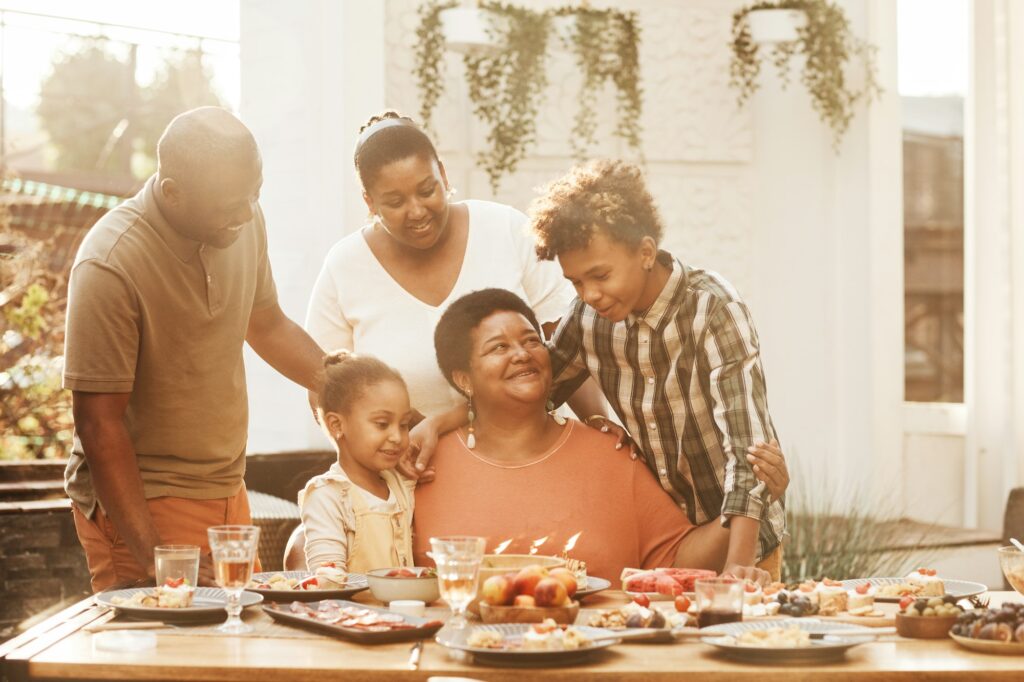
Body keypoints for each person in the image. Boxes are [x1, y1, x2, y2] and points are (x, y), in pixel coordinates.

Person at [63, 107, 324, 592]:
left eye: (255, 193)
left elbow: (265, 323)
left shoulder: (241, 217)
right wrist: (155, 554)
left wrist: (338, 385)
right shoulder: (110, 263)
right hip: (146, 503)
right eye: (230, 205)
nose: (246, 214)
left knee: (236, 650)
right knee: (162, 661)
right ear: (172, 194)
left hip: (226, 487)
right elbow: (99, 425)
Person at [411, 289, 787, 583]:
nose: (522, 354)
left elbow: (677, 558)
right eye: (499, 348)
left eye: (531, 341)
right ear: (463, 379)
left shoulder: (610, 454)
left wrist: (757, 494)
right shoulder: (424, 464)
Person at [527, 159, 787, 580]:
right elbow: (531, 395)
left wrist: (737, 568)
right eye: (575, 282)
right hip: (661, 546)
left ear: (645, 253)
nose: (589, 294)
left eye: (600, 275)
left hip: (741, 539)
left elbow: (748, 448)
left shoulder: (713, 309)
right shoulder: (586, 319)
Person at [304, 111, 607, 469]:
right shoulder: (345, 266)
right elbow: (325, 392)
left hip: (530, 463)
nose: (417, 211)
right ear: (369, 202)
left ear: (443, 175)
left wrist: (598, 425)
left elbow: (567, 346)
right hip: (413, 477)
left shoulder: (505, 230)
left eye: (427, 190)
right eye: (395, 202)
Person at [299, 351, 416, 572]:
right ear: (336, 425)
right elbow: (327, 581)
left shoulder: (402, 484)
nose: (397, 437)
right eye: (382, 424)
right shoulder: (328, 495)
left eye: (404, 424)